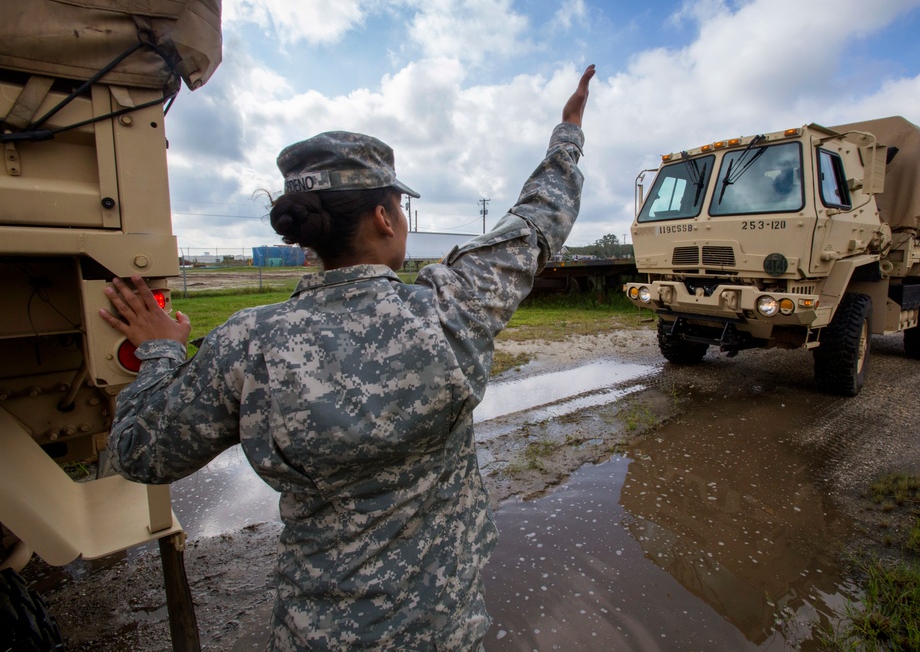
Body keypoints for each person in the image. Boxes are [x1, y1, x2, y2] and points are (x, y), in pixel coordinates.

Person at [99, 64, 595, 650]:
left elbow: (139, 452)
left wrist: (160, 352)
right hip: (442, 628)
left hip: (318, 633)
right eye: (399, 207)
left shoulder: (248, 343)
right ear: (384, 216)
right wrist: (568, 132)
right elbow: (538, 221)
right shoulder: (449, 310)